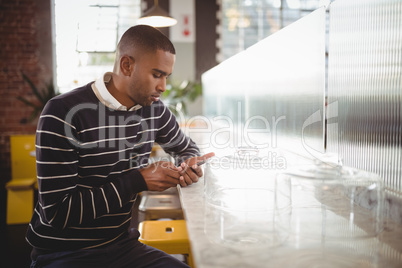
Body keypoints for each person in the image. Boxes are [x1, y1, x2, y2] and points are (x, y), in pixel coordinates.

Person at [26, 25, 214, 268]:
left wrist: (188, 164)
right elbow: (58, 213)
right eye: (157, 74)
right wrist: (137, 181)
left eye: (167, 76)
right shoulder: (63, 112)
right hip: (63, 252)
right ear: (127, 65)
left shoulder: (153, 110)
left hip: (121, 245)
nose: (163, 86)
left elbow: (185, 147)